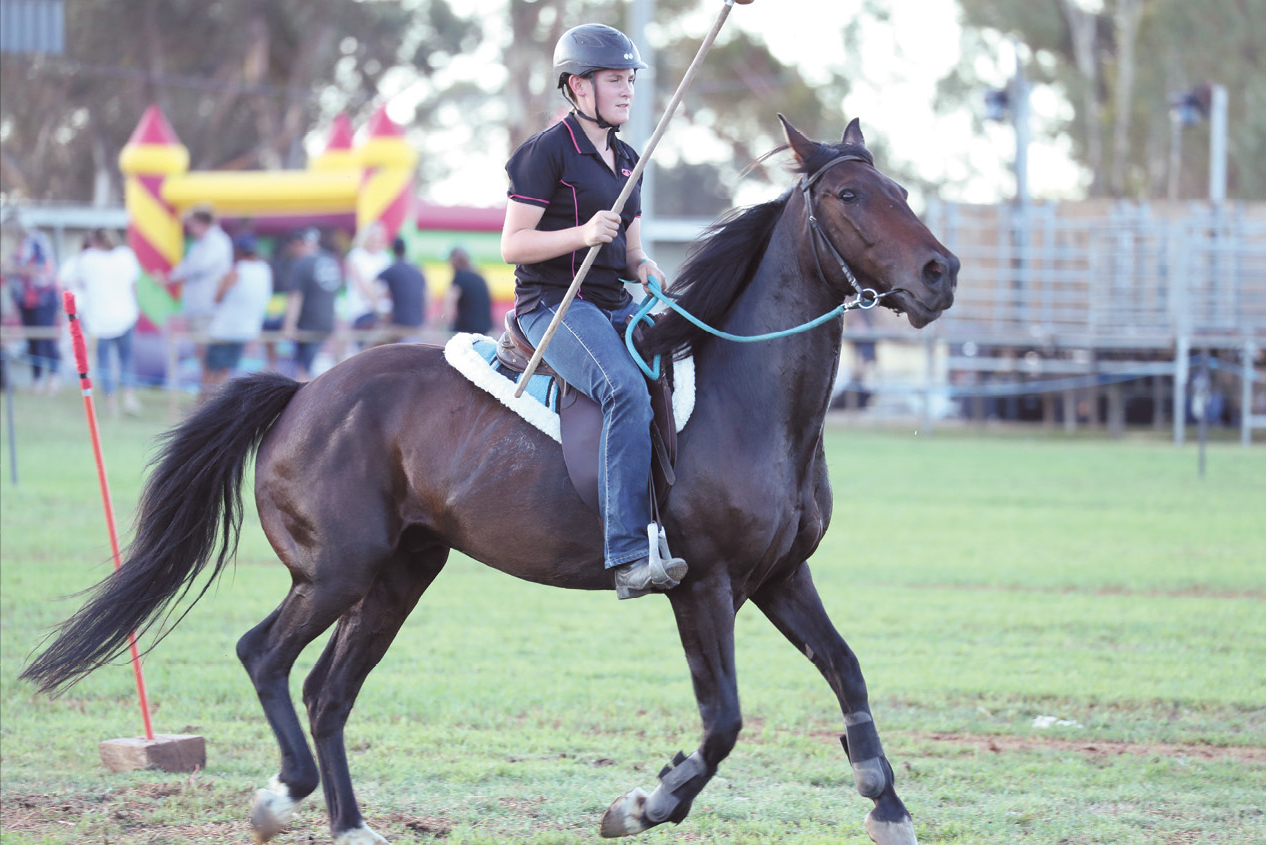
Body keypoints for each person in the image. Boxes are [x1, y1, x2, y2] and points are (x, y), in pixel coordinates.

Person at [500, 23, 685, 599]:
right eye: (614, 80)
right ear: (578, 87)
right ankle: (627, 553)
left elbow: (629, 250)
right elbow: (513, 245)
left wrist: (643, 265)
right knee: (624, 389)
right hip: (553, 305)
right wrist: (581, 233)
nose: (627, 91)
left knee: (685, 362)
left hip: (612, 302)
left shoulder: (630, 157)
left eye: (630, 79)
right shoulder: (544, 152)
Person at [72, 229, 142, 414]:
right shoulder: (126, 256)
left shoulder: (87, 259)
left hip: (99, 318)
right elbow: (133, 285)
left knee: (104, 361)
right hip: (125, 314)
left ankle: (111, 403)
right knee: (126, 359)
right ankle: (128, 396)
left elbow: (79, 284)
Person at [163, 206, 233, 380]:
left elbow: (197, 267)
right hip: (199, 306)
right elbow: (188, 266)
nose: (190, 229)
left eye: (192, 224)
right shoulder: (201, 244)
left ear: (201, 223)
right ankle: (207, 391)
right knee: (202, 353)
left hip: (208, 307)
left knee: (210, 353)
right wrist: (171, 278)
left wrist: (173, 278)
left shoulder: (217, 242)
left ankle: (211, 391)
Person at [203, 234, 272, 393]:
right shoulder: (266, 269)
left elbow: (217, 298)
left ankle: (205, 402)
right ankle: (216, 401)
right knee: (226, 369)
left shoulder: (236, 270)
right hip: (247, 328)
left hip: (224, 328)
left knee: (210, 368)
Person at [3, 226, 61, 393]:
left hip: (43, 299)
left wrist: (14, 269)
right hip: (25, 300)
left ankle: (53, 378)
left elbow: (41, 268)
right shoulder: (16, 246)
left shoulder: (37, 241)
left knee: (47, 338)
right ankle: (37, 380)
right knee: (32, 341)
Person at [282, 228, 342, 380]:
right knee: (311, 365)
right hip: (326, 322)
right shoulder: (330, 260)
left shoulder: (302, 264)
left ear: (298, 243)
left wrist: (289, 326)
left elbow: (295, 298)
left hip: (307, 324)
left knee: (304, 370)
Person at [375, 236, 427, 341]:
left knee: (373, 346)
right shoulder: (417, 270)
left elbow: (373, 282)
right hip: (418, 325)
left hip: (398, 325)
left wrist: (377, 304)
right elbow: (426, 296)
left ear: (393, 251)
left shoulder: (392, 270)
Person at [343, 222, 391, 336]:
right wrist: (376, 304)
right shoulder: (356, 256)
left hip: (382, 309)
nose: (377, 242)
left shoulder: (385, 257)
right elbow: (362, 284)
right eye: (374, 238)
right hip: (361, 309)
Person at [443, 246, 492, 335]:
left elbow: (449, 305)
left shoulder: (459, 279)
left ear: (454, 261)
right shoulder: (479, 277)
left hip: (466, 332)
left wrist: (443, 324)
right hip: (484, 331)